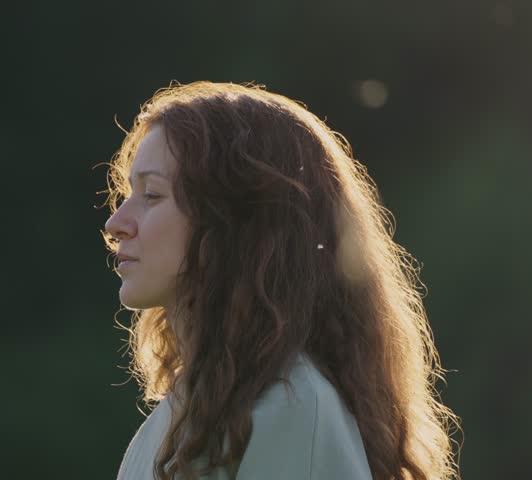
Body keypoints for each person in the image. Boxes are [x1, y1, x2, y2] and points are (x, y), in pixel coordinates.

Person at [100, 81, 461, 480]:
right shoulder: (177, 417)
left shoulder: (287, 408)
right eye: (128, 194)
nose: (116, 224)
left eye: (151, 195)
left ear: (235, 222)